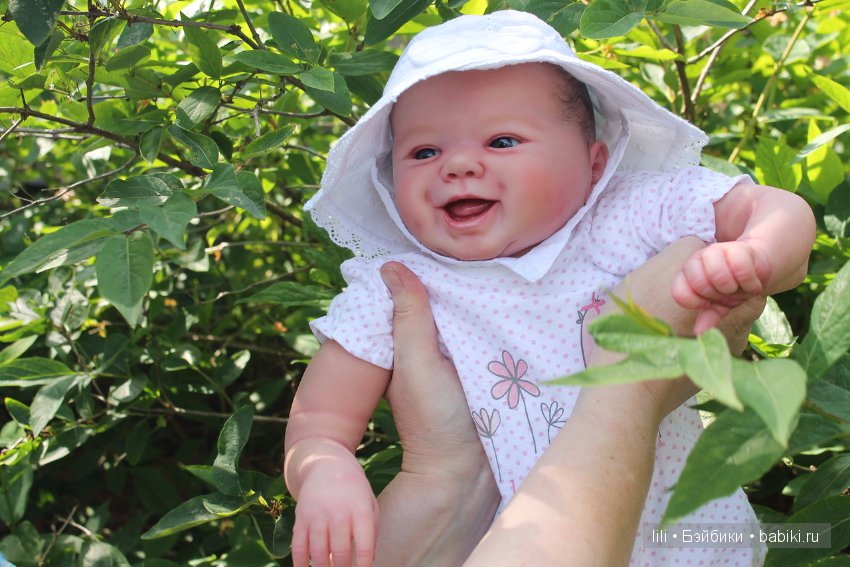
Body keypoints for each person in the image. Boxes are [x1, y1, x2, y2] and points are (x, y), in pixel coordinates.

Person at [284, 10, 815, 567]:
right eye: (424, 152)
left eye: (503, 140)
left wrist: (755, 255)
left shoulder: (628, 214)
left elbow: (772, 208)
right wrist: (326, 470)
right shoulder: (399, 288)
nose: (460, 165)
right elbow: (319, 421)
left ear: (594, 164)